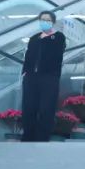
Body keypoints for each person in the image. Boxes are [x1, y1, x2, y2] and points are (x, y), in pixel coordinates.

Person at [20, 11, 65, 142]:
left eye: (47, 20)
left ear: (53, 22)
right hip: (31, 78)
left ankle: (42, 138)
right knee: (29, 107)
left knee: (46, 108)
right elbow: (28, 56)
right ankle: (28, 136)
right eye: (42, 20)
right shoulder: (34, 38)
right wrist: (25, 71)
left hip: (49, 77)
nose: (44, 22)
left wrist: (47, 37)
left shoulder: (58, 37)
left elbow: (57, 54)